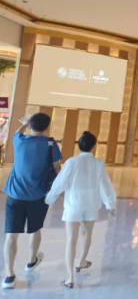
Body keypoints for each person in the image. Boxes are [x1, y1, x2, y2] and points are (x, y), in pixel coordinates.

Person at [45, 131, 116, 289]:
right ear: (94, 147)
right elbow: (105, 184)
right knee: (87, 234)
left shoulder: (72, 162)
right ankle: (82, 261)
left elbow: (60, 182)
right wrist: (110, 204)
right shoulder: (98, 164)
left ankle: (70, 277)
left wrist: (50, 198)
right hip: (91, 204)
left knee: (71, 239)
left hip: (73, 204)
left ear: (79, 146)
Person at [3, 113, 62, 289]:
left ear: (30, 126)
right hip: (38, 196)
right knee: (35, 229)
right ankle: (31, 261)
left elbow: (17, 131)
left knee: (11, 235)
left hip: (15, 195)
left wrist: (24, 124)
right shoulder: (50, 143)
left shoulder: (19, 140)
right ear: (47, 127)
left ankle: (9, 277)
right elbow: (57, 168)